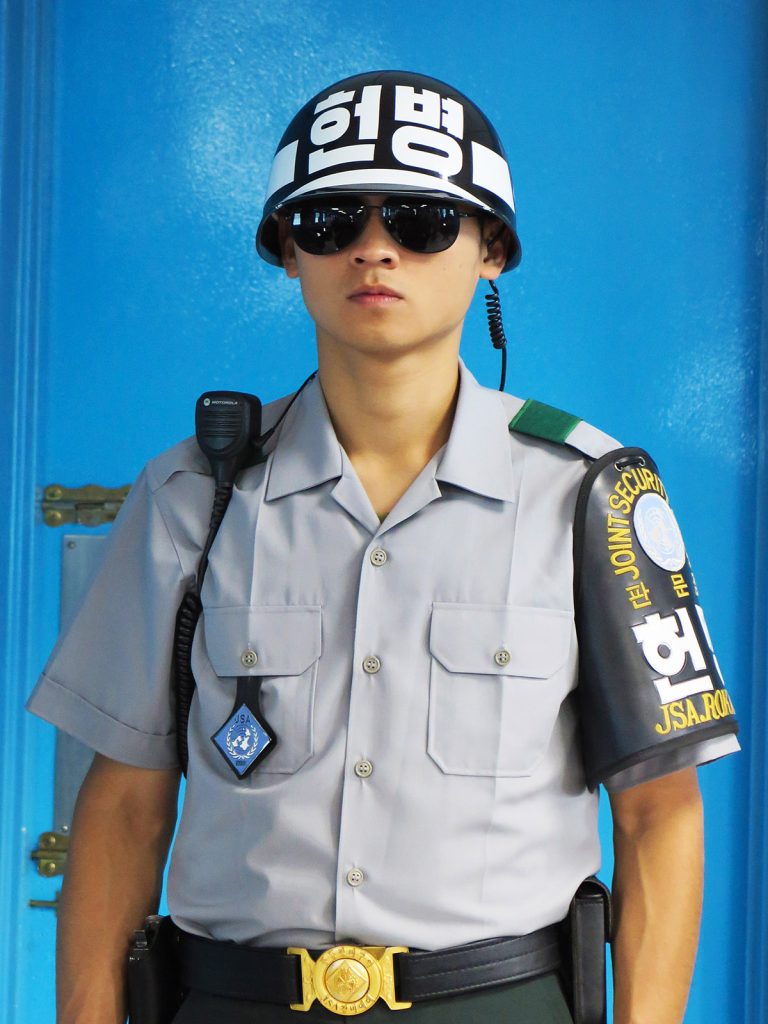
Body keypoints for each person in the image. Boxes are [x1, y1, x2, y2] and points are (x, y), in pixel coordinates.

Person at [26, 70, 740, 1024]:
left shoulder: (594, 497)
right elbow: (121, 808)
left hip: (496, 1003)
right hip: (231, 1001)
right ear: (288, 251)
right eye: (330, 222)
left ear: (492, 248)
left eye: (421, 219)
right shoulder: (192, 494)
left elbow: (658, 816)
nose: (374, 249)